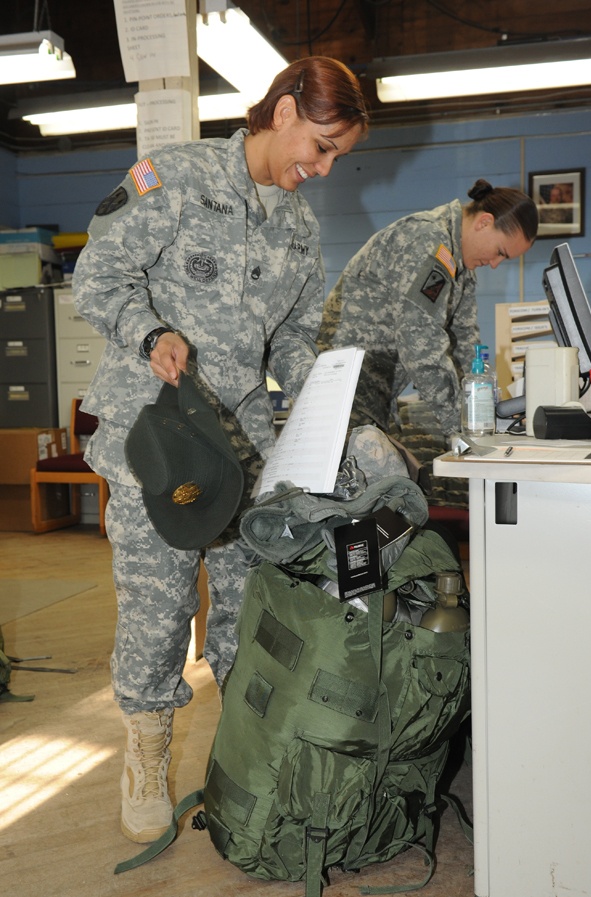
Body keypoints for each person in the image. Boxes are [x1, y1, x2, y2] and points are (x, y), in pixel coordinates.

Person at [71, 56, 369, 845]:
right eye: (321, 143)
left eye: (338, 154)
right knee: (160, 603)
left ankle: (244, 759)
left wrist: (327, 399)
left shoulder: (300, 228)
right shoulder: (173, 178)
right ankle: (147, 751)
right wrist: (150, 331)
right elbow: (95, 271)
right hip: (156, 435)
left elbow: (298, 338)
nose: (325, 166)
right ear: (282, 112)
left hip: (238, 446)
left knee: (246, 607)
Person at [318, 179, 538, 439]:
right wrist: (461, 428)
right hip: (340, 393)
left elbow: (465, 343)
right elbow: (420, 343)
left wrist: (482, 414)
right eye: (500, 252)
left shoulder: (460, 265)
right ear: (484, 222)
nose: (494, 264)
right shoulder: (427, 241)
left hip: (374, 395)